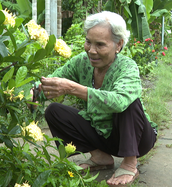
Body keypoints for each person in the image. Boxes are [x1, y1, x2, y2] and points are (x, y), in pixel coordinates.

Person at [30, 11, 157, 186]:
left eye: (100, 45)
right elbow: (54, 81)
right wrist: (32, 91)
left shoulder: (127, 67)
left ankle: (129, 163)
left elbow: (119, 101)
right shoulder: (82, 61)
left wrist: (73, 88)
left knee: (128, 103)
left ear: (118, 44)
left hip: (136, 138)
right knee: (54, 111)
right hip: (100, 134)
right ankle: (100, 157)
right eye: (88, 42)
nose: (92, 50)